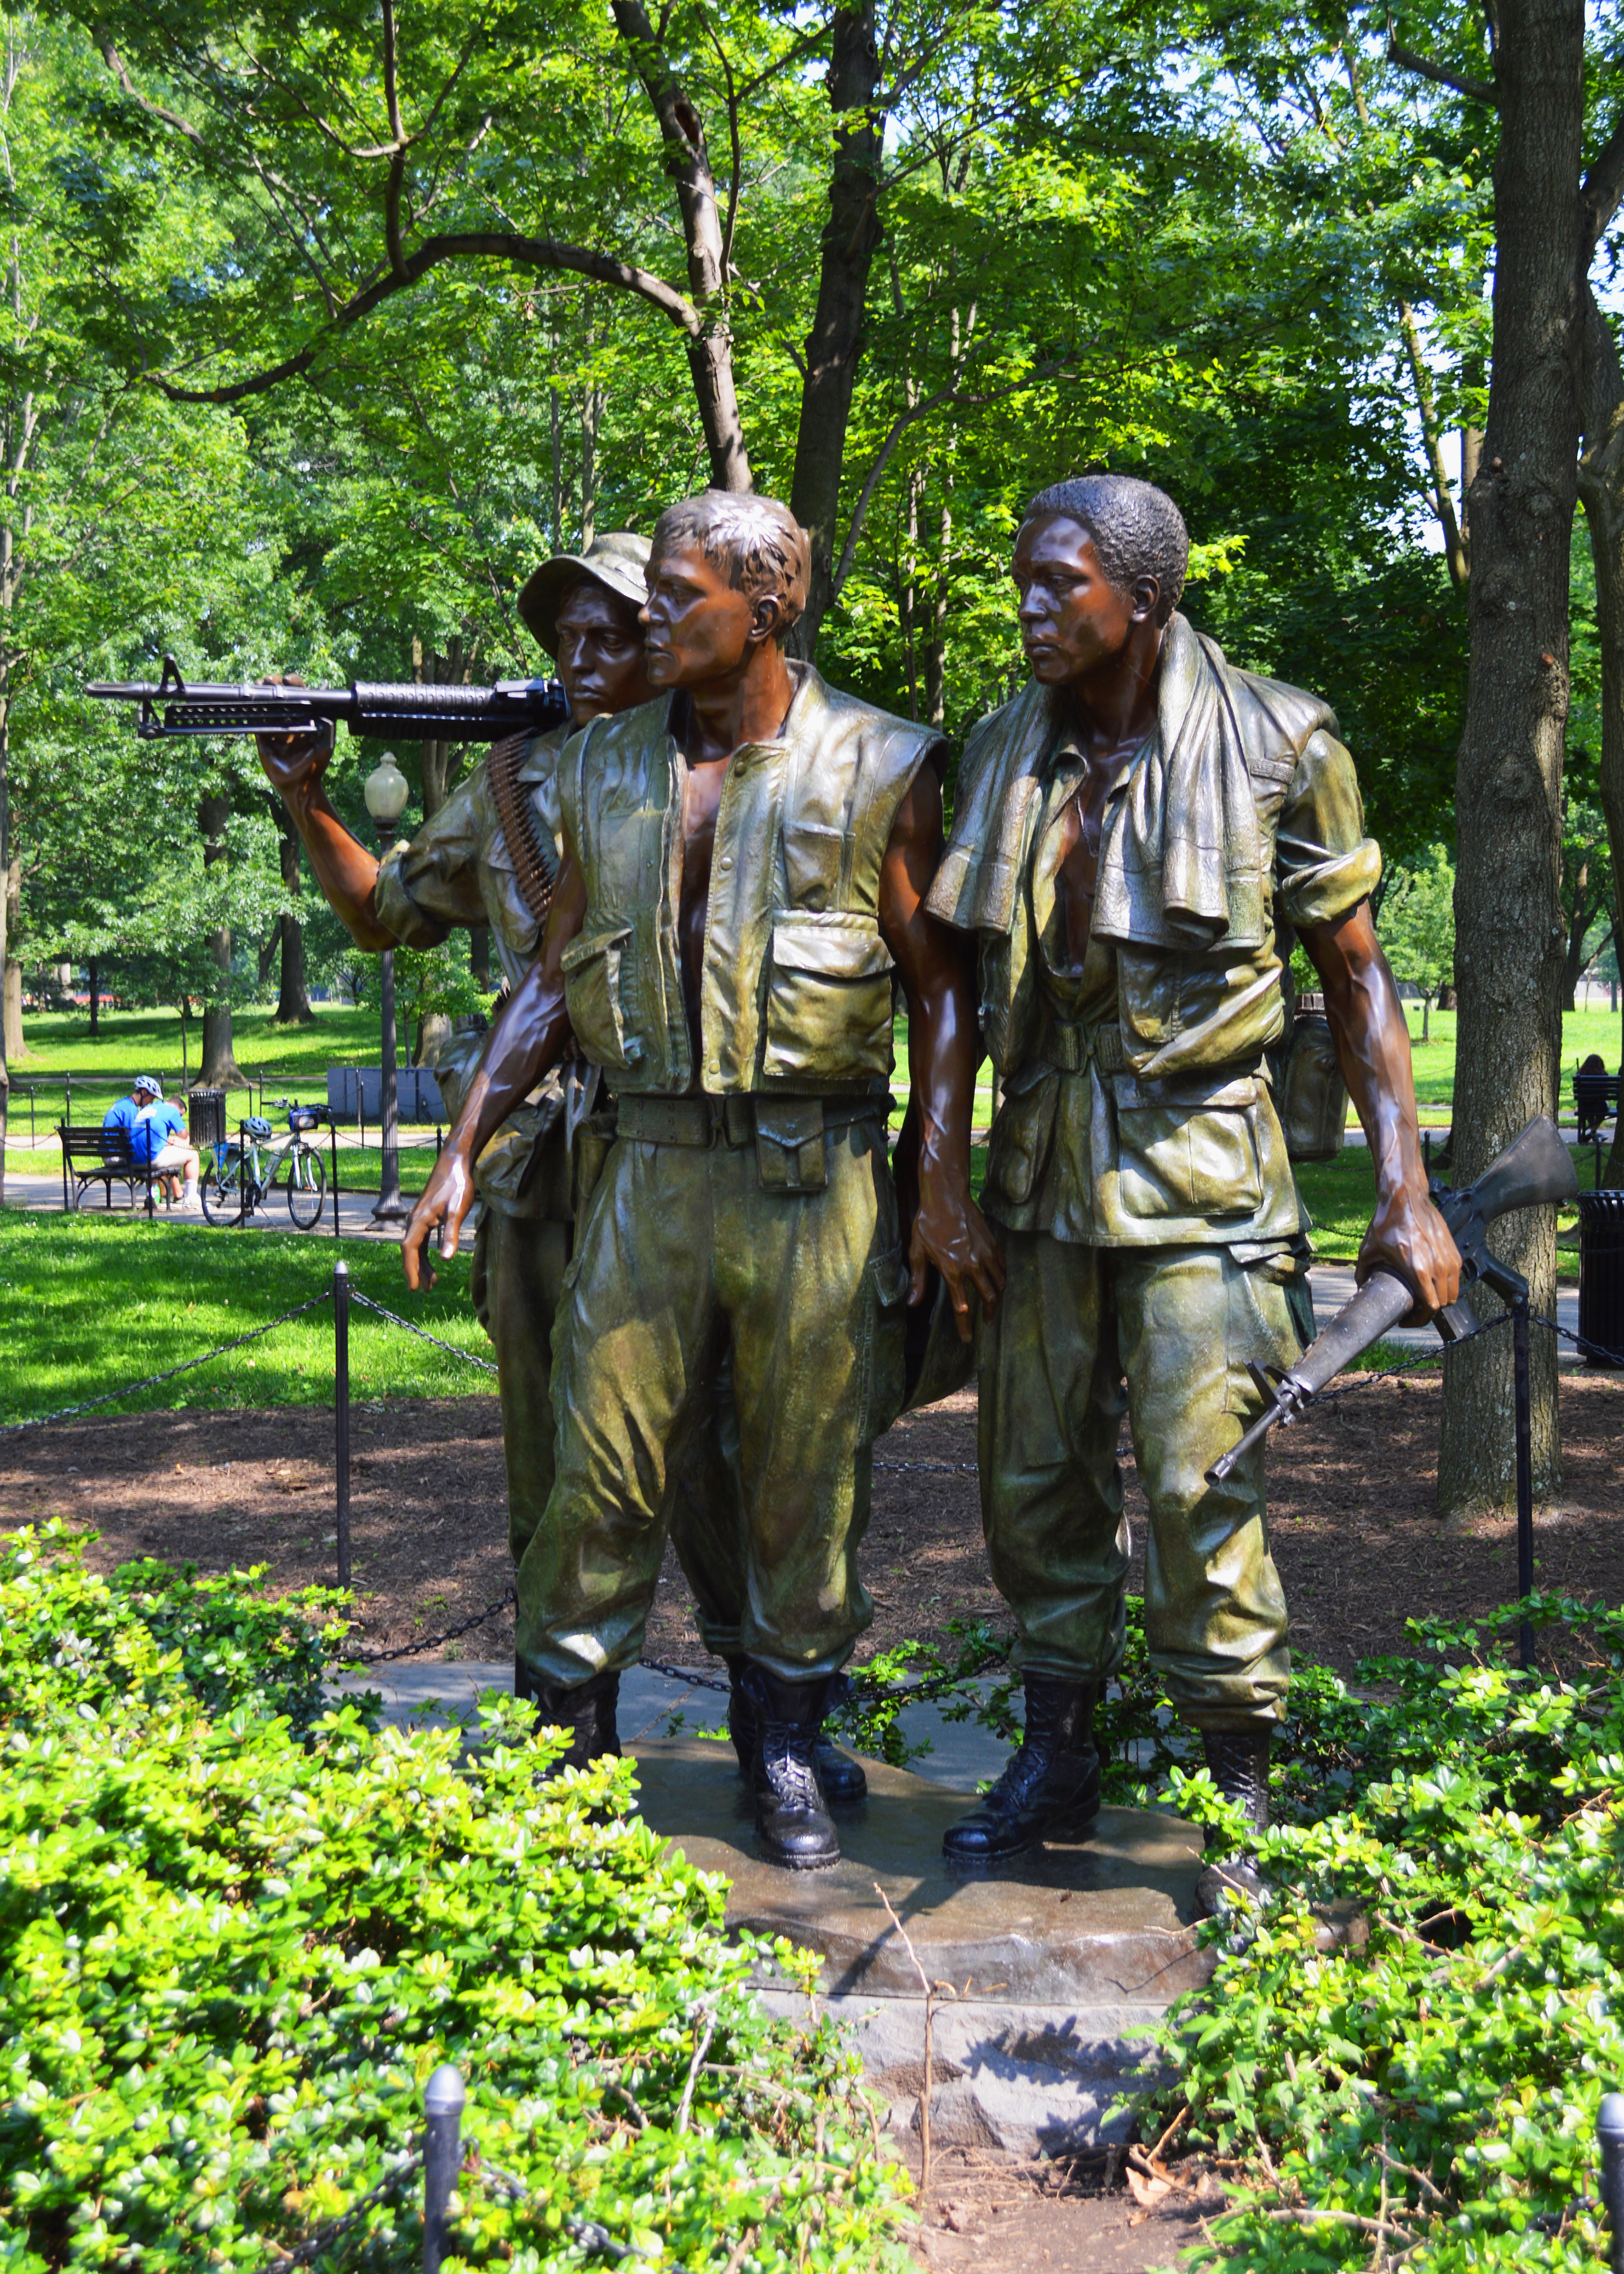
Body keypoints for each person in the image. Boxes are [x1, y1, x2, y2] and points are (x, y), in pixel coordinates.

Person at [403, 490, 1003, 1871]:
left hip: (814, 1176)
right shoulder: (592, 770)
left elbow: (940, 997)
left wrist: (938, 1182)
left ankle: (781, 1736)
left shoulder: (882, 763)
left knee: (803, 1472)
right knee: (598, 1469)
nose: (650, 618)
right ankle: (570, 1740)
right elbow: (554, 986)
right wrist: (459, 1149)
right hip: (647, 1171)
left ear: (768, 606)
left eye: (680, 597)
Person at [254, 533, 867, 1801]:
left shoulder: (768, 772)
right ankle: (568, 1729)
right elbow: (386, 914)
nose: (582, 661)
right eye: (562, 641)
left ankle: (778, 1716)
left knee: (746, 1450)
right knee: (567, 1454)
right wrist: (309, 801)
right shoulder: (521, 783)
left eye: (614, 632)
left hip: (725, 1159)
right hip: (557, 1163)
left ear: (679, 634)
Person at [924, 473, 1460, 1907]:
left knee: (1194, 1489)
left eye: (1060, 586)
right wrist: (940, 1176)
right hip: (1037, 1176)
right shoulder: (998, 748)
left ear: (1143, 600)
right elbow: (962, 994)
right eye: (1020, 582)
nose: (1029, 609)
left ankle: (1238, 1785)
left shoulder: (1284, 741)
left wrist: (1404, 1190)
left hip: (1205, 1182)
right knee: (1028, 1484)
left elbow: (1355, 984)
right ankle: (1057, 1748)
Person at [135, 1085, 200, 1208]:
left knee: (158, 1154)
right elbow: (184, 1135)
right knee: (193, 1155)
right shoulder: (172, 1110)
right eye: (181, 1115)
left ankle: (152, 1196)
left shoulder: (148, 1108)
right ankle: (191, 1197)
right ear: (176, 1107)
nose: (179, 1117)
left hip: (133, 1159)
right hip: (151, 1160)